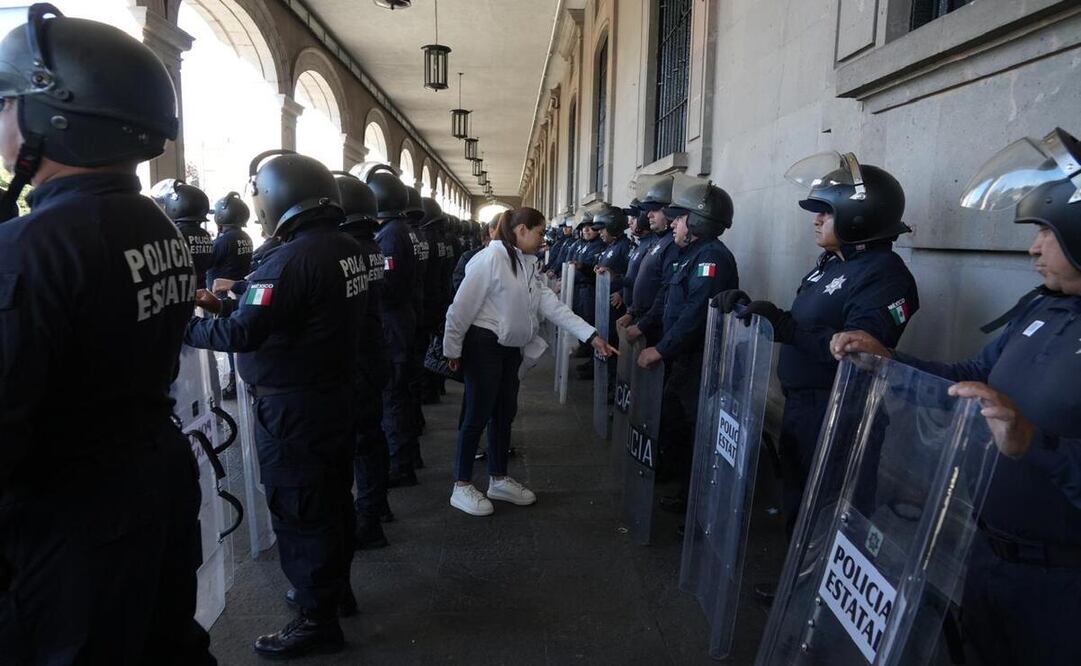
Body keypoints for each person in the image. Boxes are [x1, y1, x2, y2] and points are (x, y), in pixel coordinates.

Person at [0, 6, 214, 663]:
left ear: (50, 116)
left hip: (65, 520)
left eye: (8, 103)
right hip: (149, 483)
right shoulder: (151, 221)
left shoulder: (34, 246)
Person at [831, 128, 1081, 666]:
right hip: (988, 557)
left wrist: (1034, 443)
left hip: (1061, 588)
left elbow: (1032, 440)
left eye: (1045, 230)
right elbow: (972, 376)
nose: (1033, 245)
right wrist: (889, 361)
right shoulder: (1042, 309)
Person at [185, 151, 368, 658]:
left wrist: (187, 325)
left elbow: (244, 330)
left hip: (293, 410)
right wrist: (231, 300)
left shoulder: (289, 258)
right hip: (330, 395)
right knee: (332, 498)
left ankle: (316, 618)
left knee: (299, 506)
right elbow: (294, 309)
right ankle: (334, 590)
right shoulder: (342, 245)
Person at [718, 151, 919, 538]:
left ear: (857, 216)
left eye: (826, 211)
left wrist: (786, 327)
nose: (816, 219)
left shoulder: (885, 276)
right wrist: (756, 311)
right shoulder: (832, 263)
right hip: (804, 406)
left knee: (833, 508)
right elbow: (806, 323)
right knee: (801, 500)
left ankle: (816, 596)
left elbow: (858, 351)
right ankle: (795, 587)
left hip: (839, 410)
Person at [443, 208, 618, 516]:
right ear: (521, 230)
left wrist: (591, 335)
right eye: (538, 232)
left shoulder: (526, 264)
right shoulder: (490, 259)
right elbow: (460, 309)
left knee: (504, 412)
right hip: (484, 346)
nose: (542, 239)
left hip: (510, 349)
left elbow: (549, 304)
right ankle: (462, 484)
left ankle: (498, 478)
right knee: (476, 414)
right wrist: (452, 350)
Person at [627, 174, 739, 512]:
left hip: (698, 361)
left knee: (695, 430)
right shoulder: (689, 254)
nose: (674, 224)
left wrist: (661, 349)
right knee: (675, 423)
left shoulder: (712, 259)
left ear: (698, 221)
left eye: (680, 218)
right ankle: (680, 484)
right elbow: (667, 299)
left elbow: (695, 314)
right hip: (683, 358)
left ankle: (695, 502)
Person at [334, 171, 394, 544]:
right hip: (375, 348)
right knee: (372, 435)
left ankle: (368, 517)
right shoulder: (372, 247)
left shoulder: (346, 249)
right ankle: (376, 507)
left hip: (355, 358)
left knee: (359, 442)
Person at [367, 165, 421, 487]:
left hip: (394, 326)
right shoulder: (406, 230)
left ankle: (400, 464)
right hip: (406, 320)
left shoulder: (389, 235)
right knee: (403, 395)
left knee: (394, 400)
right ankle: (408, 455)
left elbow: (389, 286)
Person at [617, 175, 677, 338]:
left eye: (655, 210)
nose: (648, 215)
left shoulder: (672, 244)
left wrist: (643, 324)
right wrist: (632, 312)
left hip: (653, 325)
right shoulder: (660, 241)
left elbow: (664, 291)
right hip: (642, 318)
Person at [207, 191, 253, 398]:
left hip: (224, 296)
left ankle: (234, 383)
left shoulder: (223, 241)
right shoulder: (244, 237)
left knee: (229, 342)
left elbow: (206, 261)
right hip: (238, 292)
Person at [578, 204, 631, 380]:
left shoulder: (625, 247)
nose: (600, 233)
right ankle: (601, 373)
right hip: (605, 302)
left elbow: (631, 276)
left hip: (616, 305)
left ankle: (611, 380)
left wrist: (622, 292)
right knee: (603, 336)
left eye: (603, 229)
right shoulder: (611, 246)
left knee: (613, 341)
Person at [160, 179, 214, 288]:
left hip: (180, 292)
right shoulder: (205, 235)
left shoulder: (173, 234)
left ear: (174, 206)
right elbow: (209, 263)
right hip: (202, 291)